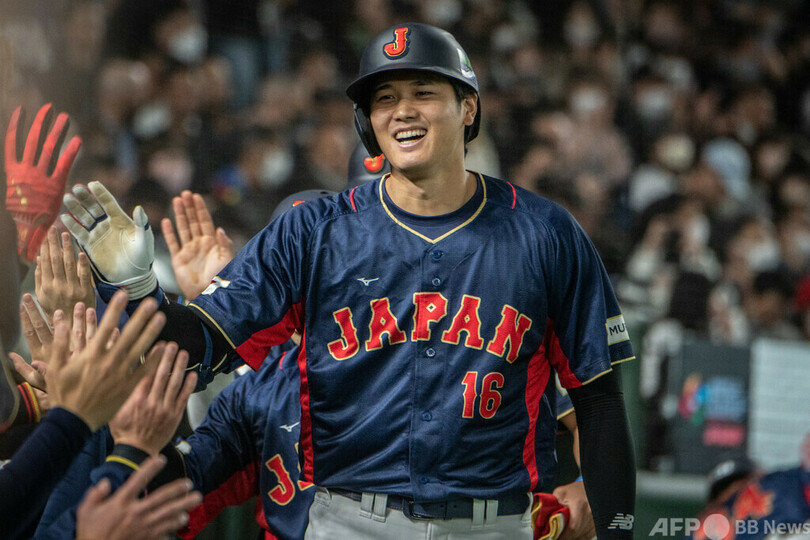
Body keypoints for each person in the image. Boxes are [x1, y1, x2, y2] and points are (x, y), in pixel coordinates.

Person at [62, 23, 636, 539]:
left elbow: (600, 402)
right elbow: (195, 343)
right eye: (384, 99)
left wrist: (619, 530)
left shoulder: (547, 234)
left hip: (494, 522)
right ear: (367, 124)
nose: (402, 111)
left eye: (423, 93)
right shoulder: (310, 232)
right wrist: (134, 286)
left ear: (468, 109)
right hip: (347, 521)